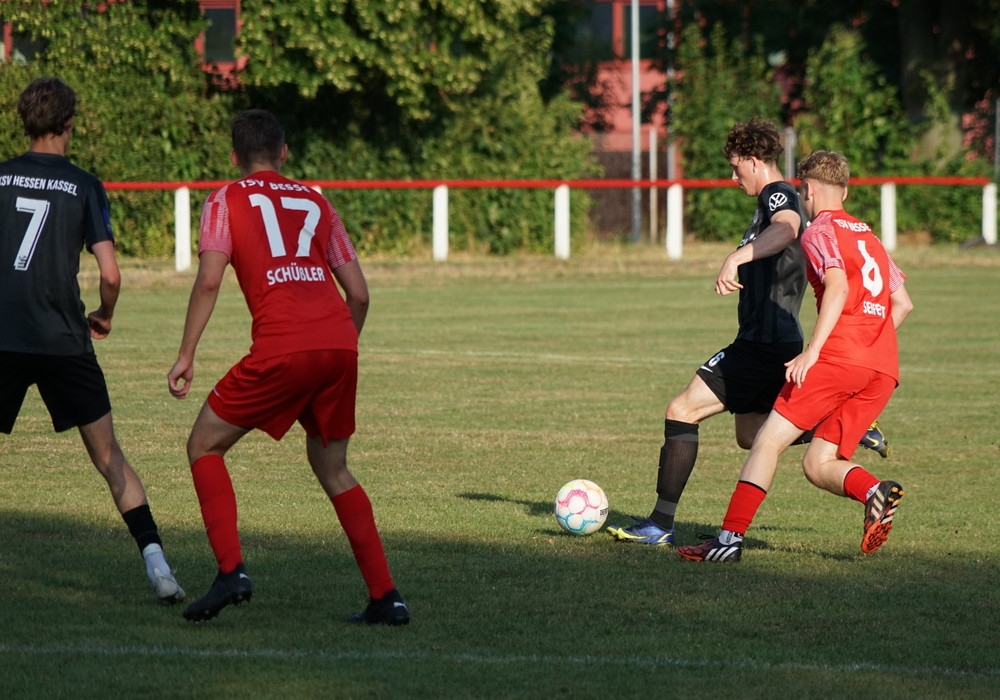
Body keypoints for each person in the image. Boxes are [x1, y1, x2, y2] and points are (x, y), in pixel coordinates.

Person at [167, 108, 408, 625]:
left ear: (233, 157)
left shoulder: (225, 199)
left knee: (204, 445)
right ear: (284, 153)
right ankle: (387, 597)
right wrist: (337, 349)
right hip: (339, 346)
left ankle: (231, 572)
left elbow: (209, 279)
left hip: (283, 347)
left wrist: (186, 354)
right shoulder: (317, 202)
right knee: (333, 466)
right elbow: (360, 295)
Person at [607, 118, 890, 547]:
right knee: (750, 436)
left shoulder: (778, 194)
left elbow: (788, 227)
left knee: (682, 409)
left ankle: (659, 524)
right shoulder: (770, 202)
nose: (733, 176)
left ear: (755, 161)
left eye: (737, 167)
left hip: (763, 343)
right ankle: (829, 425)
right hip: (775, 340)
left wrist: (736, 257)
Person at [677, 150, 913, 562]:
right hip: (881, 368)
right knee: (817, 463)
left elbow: (837, 286)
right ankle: (873, 490)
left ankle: (728, 541)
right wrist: (867, 346)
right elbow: (903, 303)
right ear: (844, 190)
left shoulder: (819, 230)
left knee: (765, 442)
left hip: (838, 359)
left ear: (808, 190)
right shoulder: (869, 236)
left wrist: (814, 352)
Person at [0, 76, 184, 604]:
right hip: (64, 338)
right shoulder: (83, 184)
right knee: (109, 459)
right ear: (67, 123)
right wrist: (104, 313)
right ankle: (159, 567)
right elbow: (111, 274)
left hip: (4, 336)